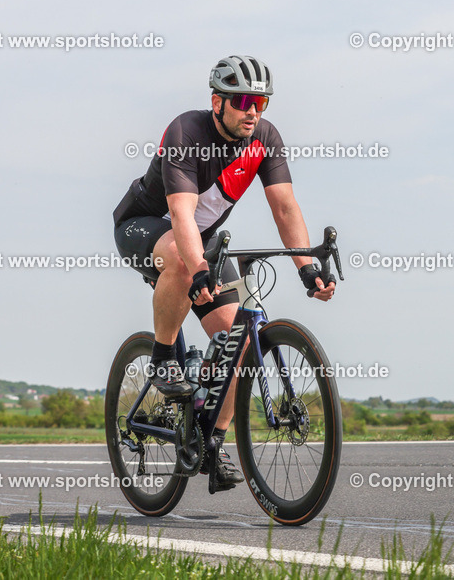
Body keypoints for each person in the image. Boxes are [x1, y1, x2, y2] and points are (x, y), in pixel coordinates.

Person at [113, 55, 336, 490]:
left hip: (199, 239)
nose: (253, 111)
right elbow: (182, 214)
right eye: (244, 101)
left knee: (239, 342)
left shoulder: (265, 139)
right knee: (183, 260)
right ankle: (162, 358)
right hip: (144, 225)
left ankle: (212, 443)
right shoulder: (186, 132)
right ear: (218, 102)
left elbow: (284, 207)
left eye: (261, 102)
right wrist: (199, 269)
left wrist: (307, 268)